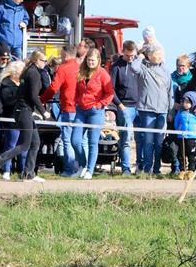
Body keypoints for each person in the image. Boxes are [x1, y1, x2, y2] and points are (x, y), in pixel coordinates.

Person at [0, 52, 49, 182]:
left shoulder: (31, 71)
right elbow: (33, 96)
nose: (46, 62)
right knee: (24, 144)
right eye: (44, 60)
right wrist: (43, 111)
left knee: (35, 142)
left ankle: (28, 173)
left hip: (25, 110)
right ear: (37, 60)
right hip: (24, 111)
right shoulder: (33, 73)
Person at [130, 44, 173, 176]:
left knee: (159, 141)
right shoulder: (143, 67)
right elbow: (133, 67)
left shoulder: (165, 70)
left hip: (162, 110)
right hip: (147, 109)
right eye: (157, 54)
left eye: (161, 54)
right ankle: (147, 169)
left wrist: (170, 110)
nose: (160, 56)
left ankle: (157, 169)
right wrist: (140, 56)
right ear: (149, 55)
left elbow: (170, 91)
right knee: (148, 141)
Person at [71, 48, 114, 179]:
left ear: (98, 61)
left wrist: (100, 105)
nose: (90, 62)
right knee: (75, 140)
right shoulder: (81, 71)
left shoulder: (103, 74)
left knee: (93, 142)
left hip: (95, 112)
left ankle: (90, 170)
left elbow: (109, 93)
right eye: (89, 60)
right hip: (81, 110)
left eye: (93, 60)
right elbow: (77, 90)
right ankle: (82, 165)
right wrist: (77, 101)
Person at [40, 44, 81, 175]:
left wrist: (41, 100)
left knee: (67, 140)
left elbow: (53, 87)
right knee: (80, 140)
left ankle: (70, 169)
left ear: (66, 54)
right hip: (82, 108)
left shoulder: (63, 68)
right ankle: (82, 167)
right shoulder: (81, 67)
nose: (61, 57)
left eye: (62, 54)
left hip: (68, 107)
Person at [109, 40, 141, 175]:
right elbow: (111, 89)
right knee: (126, 138)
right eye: (128, 56)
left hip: (140, 107)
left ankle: (141, 167)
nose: (130, 58)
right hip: (125, 107)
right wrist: (119, 105)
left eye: (133, 55)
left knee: (141, 138)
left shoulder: (139, 65)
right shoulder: (116, 67)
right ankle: (126, 168)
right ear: (123, 52)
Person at [170, 92, 196, 175]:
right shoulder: (180, 112)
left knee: (192, 154)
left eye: (188, 102)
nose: (185, 104)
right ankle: (182, 170)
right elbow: (176, 122)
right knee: (181, 154)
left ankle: (191, 170)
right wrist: (178, 130)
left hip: (192, 137)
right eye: (184, 102)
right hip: (182, 137)